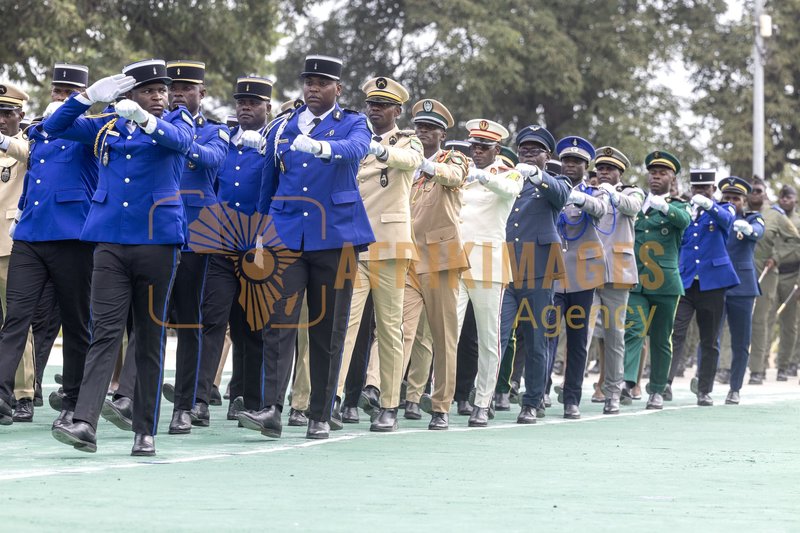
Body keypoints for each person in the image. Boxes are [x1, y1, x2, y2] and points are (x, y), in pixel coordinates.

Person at [45, 59, 194, 456]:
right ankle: (85, 422)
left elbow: (181, 143)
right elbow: (54, 127)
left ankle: (145, 430)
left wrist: (145, 119)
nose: (159, 96)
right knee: (105, 333)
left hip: (158, 241)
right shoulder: (106, 126)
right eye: (149, 91)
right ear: (128, 94)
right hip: (110, 240)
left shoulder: (176, 120)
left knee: (149, 336)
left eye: (162, 90)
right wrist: (88, 97)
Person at [239, 54, 373, 440]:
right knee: (277, 322)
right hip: (286, 234)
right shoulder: (282, 126)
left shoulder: (353, 122)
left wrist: (320, 148)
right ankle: (271, 409)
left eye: (321, 82)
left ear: (338, 88)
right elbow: (268, 181)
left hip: (336, 236)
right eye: (308, 82)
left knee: (328, 328)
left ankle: (319, 413)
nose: (313, 88)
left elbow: (356, 149)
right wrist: (260, 232)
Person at [105, 61, 228, 435]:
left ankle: (186, 405)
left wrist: (176, 137)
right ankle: (128, 396)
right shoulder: (146, 123)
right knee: (147, 318)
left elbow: (210, 159)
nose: (178, 94)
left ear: (202, 93)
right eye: (173, 88)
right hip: (154, 230)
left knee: (189, 319)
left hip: (196, 232)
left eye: (187, 88)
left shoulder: (215, 130)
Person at [0, 64, 96, 428]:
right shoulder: (39, 130)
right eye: (57, 92)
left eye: (69, 93)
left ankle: (73, 399)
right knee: (15, 318)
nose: (60, 98)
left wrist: (82, 103)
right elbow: (29, 163)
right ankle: (2, 393)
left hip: (72, 237)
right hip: (30, 236)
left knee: (76, 322)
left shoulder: (92, 130)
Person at [331, 77, 422, 432]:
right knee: (345, 325)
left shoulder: (407, 140)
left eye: (383, 105)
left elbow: (411, 160)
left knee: (389, 328)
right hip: (355, 244)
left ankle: (389, 403)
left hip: (390, 245)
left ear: (397, 111)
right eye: (371, 103)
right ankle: (333, 397)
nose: (375, 109)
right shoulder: (355, 139)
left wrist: (381, 151)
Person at [194, 76, 272, 423]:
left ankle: (249, 399)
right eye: (241, 102)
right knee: (212, 321)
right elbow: (211, 188)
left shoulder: (274, 145)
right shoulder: (223, 142)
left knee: (251, 328)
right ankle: (199, 399)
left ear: (267, 107)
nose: (246, 108)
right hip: (221, 245)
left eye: (253, 103)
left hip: (258, 248)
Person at [400, 98, 469, 430]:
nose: (422, 132)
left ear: (442, 134)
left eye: (430, 128)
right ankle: (387, 399)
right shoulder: (407, 164)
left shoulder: (452, 158)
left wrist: (426, 166)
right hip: (408, 256)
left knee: (443, 337)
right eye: (419, 127)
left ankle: (441, 406)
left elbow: (454, 177)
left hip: (440, 257)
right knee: (399, 330)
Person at [499, 125, 572, 424]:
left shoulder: (557, 181)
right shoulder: (509, 179)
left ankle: (531, 401)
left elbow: (561, 195)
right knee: (498, 335)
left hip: (539, 270)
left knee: (536, 338)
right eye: (524, 150)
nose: (528, 154)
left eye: (535, 150)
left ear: (547, 155)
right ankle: (491, 395)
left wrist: (538, 175)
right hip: (506, 267)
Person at [457, 118, 523, 426]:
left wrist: (483, 176)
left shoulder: (508, 173)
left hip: (488, 264)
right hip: (456, 259)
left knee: (488, 338)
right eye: (474, 146)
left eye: (484, 147)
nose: (477, 151)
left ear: (496, 149)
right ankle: (441, 398)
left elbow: (509, 189)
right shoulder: (462, 172)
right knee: (448, 331)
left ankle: (482, 401)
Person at [623, 151, 690, 409]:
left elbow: (684, 221)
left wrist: (664, 206)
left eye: (662, 173)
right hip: (637, 281)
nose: (656, 177)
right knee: (634, 329)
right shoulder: (638, 203)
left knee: (661, 338)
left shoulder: (679, 206)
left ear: (672, 179)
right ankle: (628, 382)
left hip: (665, 284)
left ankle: (658, 389)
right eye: (653, 173)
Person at [667, 169, 739, 406]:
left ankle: (704, 390)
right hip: (686, 281)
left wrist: (708, 205)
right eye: (696, 188)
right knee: (675, 332)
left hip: (713, 283)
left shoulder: (724, 208)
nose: (700, 192)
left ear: (713, 190)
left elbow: (727, 221)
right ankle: (664, 383)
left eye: (705, 188)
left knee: (709, 339)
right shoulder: (684, 210)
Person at [548, 136, 606, 420]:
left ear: (586, 167)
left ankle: (572, 399)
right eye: (567, 161)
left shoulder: (594, 193)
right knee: (546, 336)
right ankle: (540, 392)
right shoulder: (551, 187)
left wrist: (581, 198)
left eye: (577, 162)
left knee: (578, 339)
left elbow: (601, 210)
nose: (570, 166)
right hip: (552, 273)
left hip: (583, 276)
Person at [586, 146, 643, 414]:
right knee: (582, 333)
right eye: (600, 168)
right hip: (588, 271)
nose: (603, 172)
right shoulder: (590, 192)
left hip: (618, 273)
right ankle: (572, 389)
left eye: (609, 169)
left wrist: (612, 194)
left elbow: (633, 208)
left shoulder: (631, 192)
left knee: (615, 336)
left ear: (620, 172)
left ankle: (612, 393)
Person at [0, 82, 36, 424]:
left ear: (20, 115)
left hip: (10, 245)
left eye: (7, 113)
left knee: (16, 321)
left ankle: (24, 394)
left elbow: (28, 154)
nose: (1, 120)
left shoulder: (27, 142)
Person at [716, 177, 763, 404]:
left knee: (741, 341)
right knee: (710, 337)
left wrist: (749, 229)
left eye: (736, 198)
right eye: (727, 198)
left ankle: (735, 388)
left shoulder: (752, 218)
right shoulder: (714, 218)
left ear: (744, 201)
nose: (732, 202)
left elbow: (758, 230)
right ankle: (704, 384)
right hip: (716, 284)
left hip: (742, 286)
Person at [748, 180, 799, 383]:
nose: (785, 200)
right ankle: (760, 365)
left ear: (795, 200)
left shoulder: (794, 221)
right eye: (782, 197)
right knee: (765, 319)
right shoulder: (770, 216)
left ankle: (784, 365)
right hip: (769, 273)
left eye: (789, 197)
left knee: (789, 324)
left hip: (792, 275)